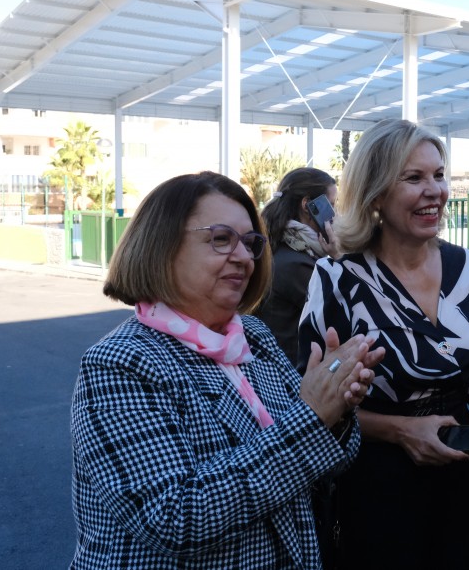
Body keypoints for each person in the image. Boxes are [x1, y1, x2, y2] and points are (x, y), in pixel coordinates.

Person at [70, 171, 384, 569]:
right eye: (220, 239)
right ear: (162, 245)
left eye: (251, 243)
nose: (244, 257)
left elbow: (325, 462)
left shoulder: (253, 337)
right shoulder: (120, 363)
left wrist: (336, 409)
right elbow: (174, 519)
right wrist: (313, 417)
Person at [297, 118, 469, 570]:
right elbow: (310, 398)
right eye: (413, 178)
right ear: (377, 193)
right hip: (377, 481)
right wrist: (401, 430)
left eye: (439, 175)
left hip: (460, 472)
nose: (434, 190)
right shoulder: (340, 279)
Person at [257, 167, 339, 369]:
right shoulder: (296, 265)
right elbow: (341, 314)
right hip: (290, 379)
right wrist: (339, 256)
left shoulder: (280, 248)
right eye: (331, 205)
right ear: (308, 205)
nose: (334, 215)